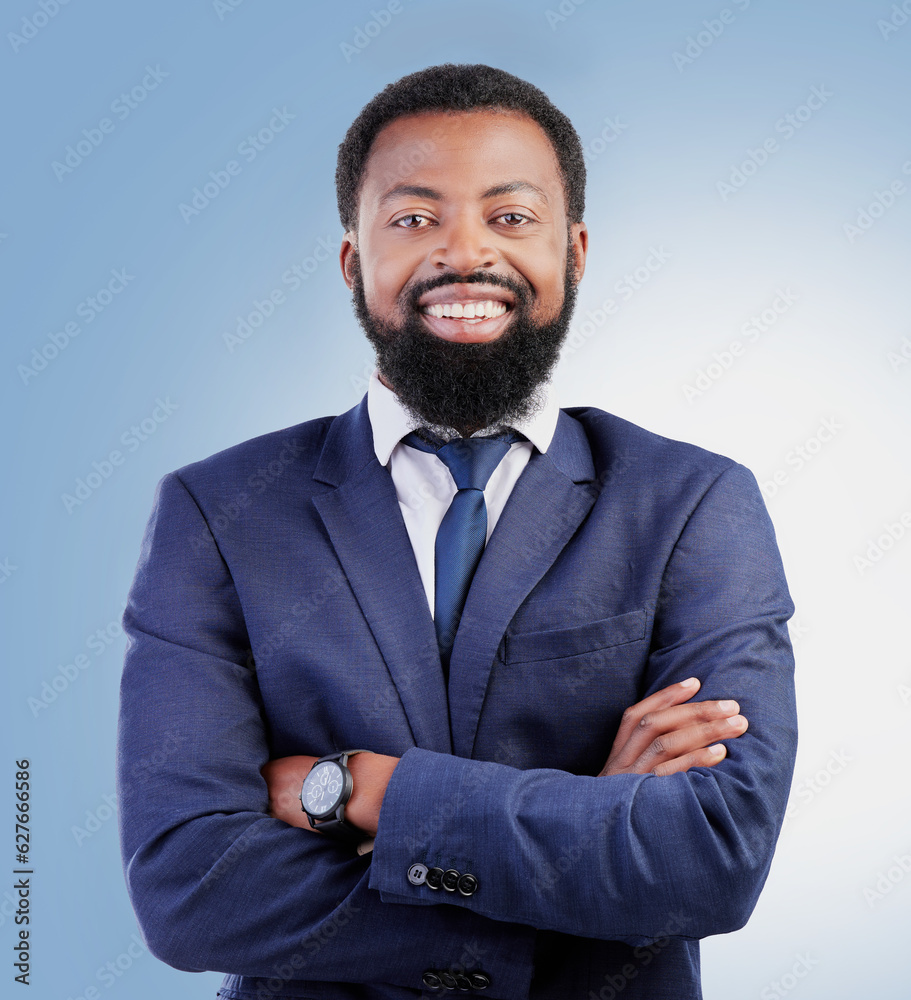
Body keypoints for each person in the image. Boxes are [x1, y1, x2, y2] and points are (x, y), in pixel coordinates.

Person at [117, 64, 797, 1000]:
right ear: (355, 261)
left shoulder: (692, 503)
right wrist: (589, 829)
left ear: (576, 251)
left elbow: (711, 860)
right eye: (412, 218)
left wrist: (359, 791)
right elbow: (190, 890)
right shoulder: (220, 512)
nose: (464, 253)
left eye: (511, 217)